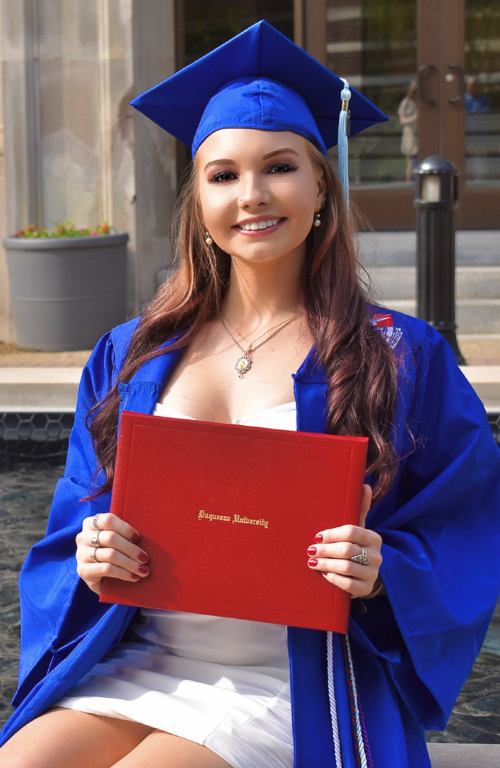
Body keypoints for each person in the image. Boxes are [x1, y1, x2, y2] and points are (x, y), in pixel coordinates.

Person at [1, 21, 500, 768]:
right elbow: (75, 518)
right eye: (224, 174)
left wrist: (384, 568)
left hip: (294, 679)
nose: (253, 195)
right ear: (198, 200)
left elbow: (470, 522)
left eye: (280, 167)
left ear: (322, 186)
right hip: (137, 661)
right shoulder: (132, 352)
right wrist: (91, 550)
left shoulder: (396, 355)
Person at [398, 80, 418, 181]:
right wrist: (414, 118)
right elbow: (402, 120)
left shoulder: (419, 102)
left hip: (419, 134)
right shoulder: (406, 102)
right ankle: (408, 183)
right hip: (409, 134)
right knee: (410, 162)